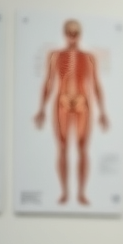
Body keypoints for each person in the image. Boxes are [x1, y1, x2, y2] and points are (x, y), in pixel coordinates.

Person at [33, 19, 109, 205]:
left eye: (75, 33)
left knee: (83, 149)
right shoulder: (55, 56)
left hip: (83, 103)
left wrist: (102, 111)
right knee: (62, 148)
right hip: (62, 102)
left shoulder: (89, 57)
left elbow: (95, 83)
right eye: (69, 33)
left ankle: (81, 193)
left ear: (80, 34)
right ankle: (65, 192)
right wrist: (41, 109)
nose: (72, 37)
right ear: (64, 34)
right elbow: (49, 82)